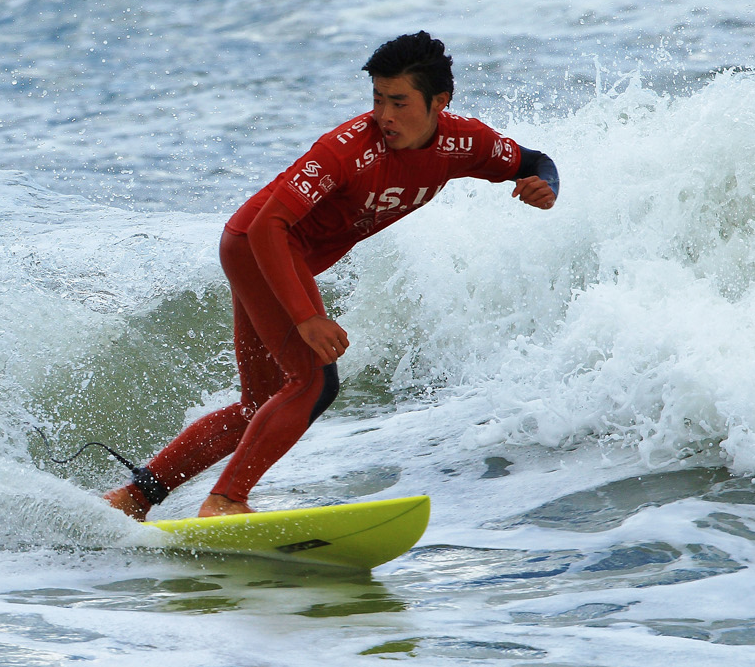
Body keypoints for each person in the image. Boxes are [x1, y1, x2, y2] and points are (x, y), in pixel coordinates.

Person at [104, 32, 559, 520]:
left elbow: (534, 161)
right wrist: (306, 318)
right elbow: (268, 226)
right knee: (313, 382)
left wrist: (545, 186)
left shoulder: (465, 143)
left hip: (265, 250)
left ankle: (134, 498)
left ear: (439, 102)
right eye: (378, 99)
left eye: (399, 102)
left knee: (260, 405)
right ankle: (226, 501)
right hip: (260, 246)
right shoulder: (346, 150)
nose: (384, 115)